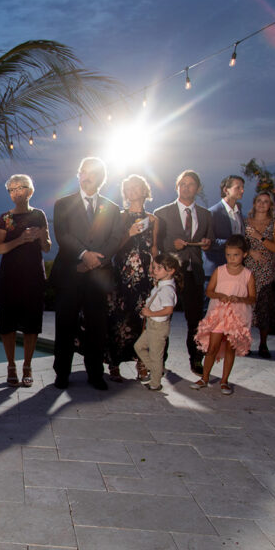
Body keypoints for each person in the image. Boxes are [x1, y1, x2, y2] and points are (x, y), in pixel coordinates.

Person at [51, 157, 124, 390]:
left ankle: (95, 374)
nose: (85, 175)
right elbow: (62, 235)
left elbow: (116, 238)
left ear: (101, 177)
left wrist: (96, 259)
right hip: (69, 274)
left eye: (91, 172)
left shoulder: (112, 208)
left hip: (98, 276)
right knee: (65, 325)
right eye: (82, 171)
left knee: (97, 326)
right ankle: (61, 373)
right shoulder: (63, 204)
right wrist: (84, 254)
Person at [0, 174, 51, 387]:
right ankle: (11, 365)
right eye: (12, 189)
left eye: (21, 187)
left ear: (30, 191)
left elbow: (47, 247)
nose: (16, 192)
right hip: (10, 277)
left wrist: (40, 237)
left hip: (33, 276)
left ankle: (27, 365)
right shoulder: (5, 218)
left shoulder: (39, 215)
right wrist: (20, 240)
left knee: (31, 323)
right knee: (7, 324)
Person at [154, 170, 213, 375]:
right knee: (163, 319)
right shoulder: (162, 213)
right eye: (183, 184)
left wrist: (207, 244)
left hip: (194, 272)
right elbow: (156, 243)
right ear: (177, 187)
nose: (186, 187)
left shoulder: (206, 215)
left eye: (191, 184)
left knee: (195, 320)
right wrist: (172, 244)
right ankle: (160, 361)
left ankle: (196, 359)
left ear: (197, 188)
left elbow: (210, 241)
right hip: (170, 273)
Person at [106, 174, 158, 383]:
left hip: (145, 275)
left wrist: (155, 270)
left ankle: (142, 363)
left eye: (137, 186)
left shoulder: (154, 220)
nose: (133, 190)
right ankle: (114, 363)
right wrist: (129, 232)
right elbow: (113, 246)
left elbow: (154, 247)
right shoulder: (119, 216)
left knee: (142, 319)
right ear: (125, 193)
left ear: (145, 191)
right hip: (122, 273)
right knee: (118, 317)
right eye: (128, 187)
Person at [192, 235, 255, 395]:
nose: (232, 259)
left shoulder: (247, 274)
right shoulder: (219, 271)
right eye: (228, 255)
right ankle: (205, 378)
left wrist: (239, 298)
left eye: (236, 255)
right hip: (218, 315)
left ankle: (224, 380)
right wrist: (219, 295)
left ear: (244, 254)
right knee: (212, 347)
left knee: (230, 348)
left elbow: (253, 297)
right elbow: (209, 291)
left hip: (236, 317)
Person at [244, 191, 275, 358]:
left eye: (266, 202)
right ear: (254, 203)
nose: (261, 204)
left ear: (270, 205)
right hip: (247, 268)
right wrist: (250, 252)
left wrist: (260, 238)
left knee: (264, 307)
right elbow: (238, 244)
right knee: (246, 307)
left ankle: (263, 343)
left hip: (266, 269)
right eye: (259, 201)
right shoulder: (246, 221)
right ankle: (244, 343)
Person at [134, 253, 180, 392]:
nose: (154, 270)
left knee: (156, 355)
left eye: (159, 268)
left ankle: (155, 382)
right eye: (154, 267)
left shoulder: (167, 289)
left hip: (158, 327)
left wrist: (151, 313)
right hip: (152, 325)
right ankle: (156, 370)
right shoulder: (161, 284)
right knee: (139, 346)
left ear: (171, 271)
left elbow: (169, 309)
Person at [205, 175, 245, 272]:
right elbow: (208, 242)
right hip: (217, 268)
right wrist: (234, 243)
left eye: (243, 188)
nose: (242, 191)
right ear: (226, 190)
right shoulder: (212, 213)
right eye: (238, 187)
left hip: (236, 269)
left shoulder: (239, 213)